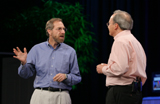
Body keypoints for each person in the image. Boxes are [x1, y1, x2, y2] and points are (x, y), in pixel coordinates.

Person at [13, 18, 81, 104]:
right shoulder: (37, 49)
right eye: (59, 29)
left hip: (62, 96)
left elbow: (77, 77)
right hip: (40, 96)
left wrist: (66, 76)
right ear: (49, 31)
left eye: (64, 29)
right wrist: (24, 63)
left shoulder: (70, 51)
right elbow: (25, 74)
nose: (63, 32)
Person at [96, 10, 147, 104]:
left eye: (109, 23)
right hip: (134, 92)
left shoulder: (120, 41)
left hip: (122, 92)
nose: (108, 26)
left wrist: (103, 69)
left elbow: (120, 68)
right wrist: (110, 66)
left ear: (116, 26)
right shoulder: (135, 41)